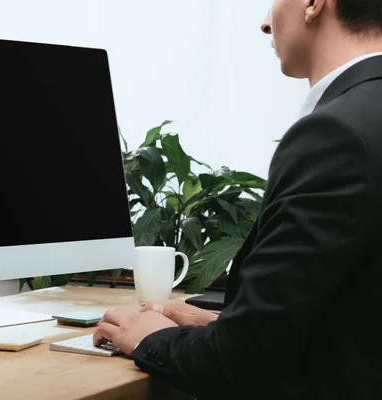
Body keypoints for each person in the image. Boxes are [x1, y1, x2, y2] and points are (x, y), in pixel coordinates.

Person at [93, 0, 382, 398]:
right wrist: (228, 325)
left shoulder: (335, 133)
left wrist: (150, 338)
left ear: (314, 5)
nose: (265, 24)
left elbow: (241, 362)